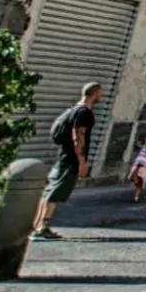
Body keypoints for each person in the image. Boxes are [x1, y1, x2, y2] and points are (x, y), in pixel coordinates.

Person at [32, 82, 102, 240]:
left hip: (64, 156)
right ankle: (42, 228)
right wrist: (82, 161)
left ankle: (37, 225)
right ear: (95, 93)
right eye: (100, 94)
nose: (100, 97)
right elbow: (79, 136)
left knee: (50, 190)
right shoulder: (84, 113)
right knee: (55, 192)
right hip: (71, 158)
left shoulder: (73, 110)